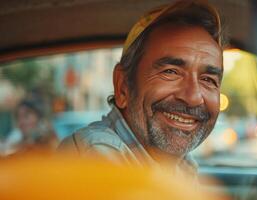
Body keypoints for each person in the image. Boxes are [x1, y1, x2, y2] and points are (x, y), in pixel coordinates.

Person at [58, 0, 224, 176]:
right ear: (123, 87)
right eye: (171, 72)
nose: (193, 97)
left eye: (208, 79)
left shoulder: (182, 167)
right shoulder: (95, 156)